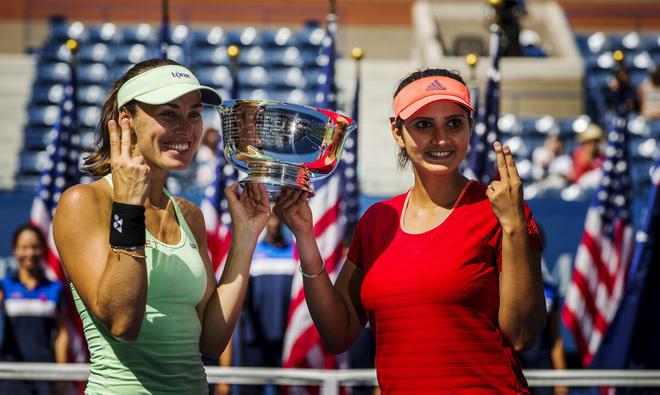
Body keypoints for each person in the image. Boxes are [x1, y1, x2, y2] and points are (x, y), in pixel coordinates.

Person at [274, 68, 546, 393]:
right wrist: (306, 239)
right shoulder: (377, 220)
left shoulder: (503, 213)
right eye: (423, 124)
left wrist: (514, 226)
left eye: (454, 123)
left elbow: (522, 336)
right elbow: (339, 334)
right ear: (397, 131)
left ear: (471, 129)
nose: (441, 138)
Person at [52, 58, 271, 394]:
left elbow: (211, 342)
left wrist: (245, 238)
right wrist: (128, 205)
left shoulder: (189, 214)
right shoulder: (83, 202)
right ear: (126, 120)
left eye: (194, 113)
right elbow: (123, 323)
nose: (186, 128)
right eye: (168, 113)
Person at [0, 223, 69, 395]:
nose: (29, 253)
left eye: (35, 247)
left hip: (44, 372)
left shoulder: (55, 289)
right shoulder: (5, 286)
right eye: (24, 247)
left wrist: (61, 376)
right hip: (10, 373)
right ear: (15, 250)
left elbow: (62, 334)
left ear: (43, 250)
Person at [231, 213, 296, 395]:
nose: (274, 222)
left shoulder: (294, 254)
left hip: (285, 339)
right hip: (254, 338)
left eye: (278, 217)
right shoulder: (251, 253)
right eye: (271, 217)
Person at [571, 123, 604, 188]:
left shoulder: (601, 155)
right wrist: (588, 155)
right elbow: (577, 174)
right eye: (590, 141)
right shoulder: (579, 153)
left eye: (596, 141)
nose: (593, 144)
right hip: (580, 187)